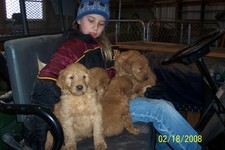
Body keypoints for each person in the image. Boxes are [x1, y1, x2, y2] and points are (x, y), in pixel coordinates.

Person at [23, 0, 202, 149]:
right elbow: (48, 78)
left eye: (101, 24)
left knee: (165, 104)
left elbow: (120, 73)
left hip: (113, 96)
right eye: (90, 20)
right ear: (78, 20)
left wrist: (143, 89)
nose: (96, 27)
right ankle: (194, 146)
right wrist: (39, 125)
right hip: (95, 107)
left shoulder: (104, 45)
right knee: (161, 110)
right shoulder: (73, 46)